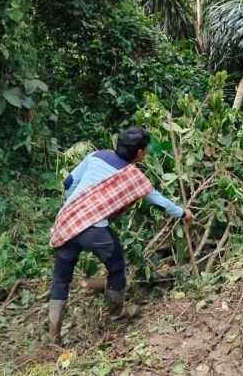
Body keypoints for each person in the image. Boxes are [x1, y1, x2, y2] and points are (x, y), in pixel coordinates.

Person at [47, 126, 192, 345]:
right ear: (140, 153)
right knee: (117, 266)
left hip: (66, 222)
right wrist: (183, 213)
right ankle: (116, 314)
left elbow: (68, 183)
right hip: (94, 230)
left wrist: (75, 204)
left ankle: (54, 335)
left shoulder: (96, 156)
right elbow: (160, 202)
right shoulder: (136, 178)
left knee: (60, 280)